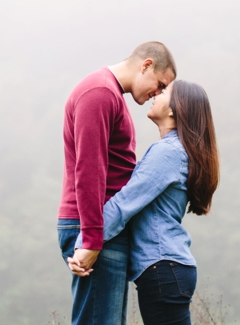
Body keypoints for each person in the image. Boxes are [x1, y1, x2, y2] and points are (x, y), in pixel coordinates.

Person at [68, 80, 219, 325]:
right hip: (168, 268)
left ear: (173, 109)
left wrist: (84, 243)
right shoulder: (174, 151)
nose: (156, 95)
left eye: (164, 92)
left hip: (164, 268)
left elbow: (124, 204)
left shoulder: (168, 153)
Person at [58, 41, 177, 325]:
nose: (158, 94)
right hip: (95, 224)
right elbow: (88, 169)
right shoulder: (99, 93)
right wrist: (92, 238)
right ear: (146, 65)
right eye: (160, 84)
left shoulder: (109, 93)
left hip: (102, 225)